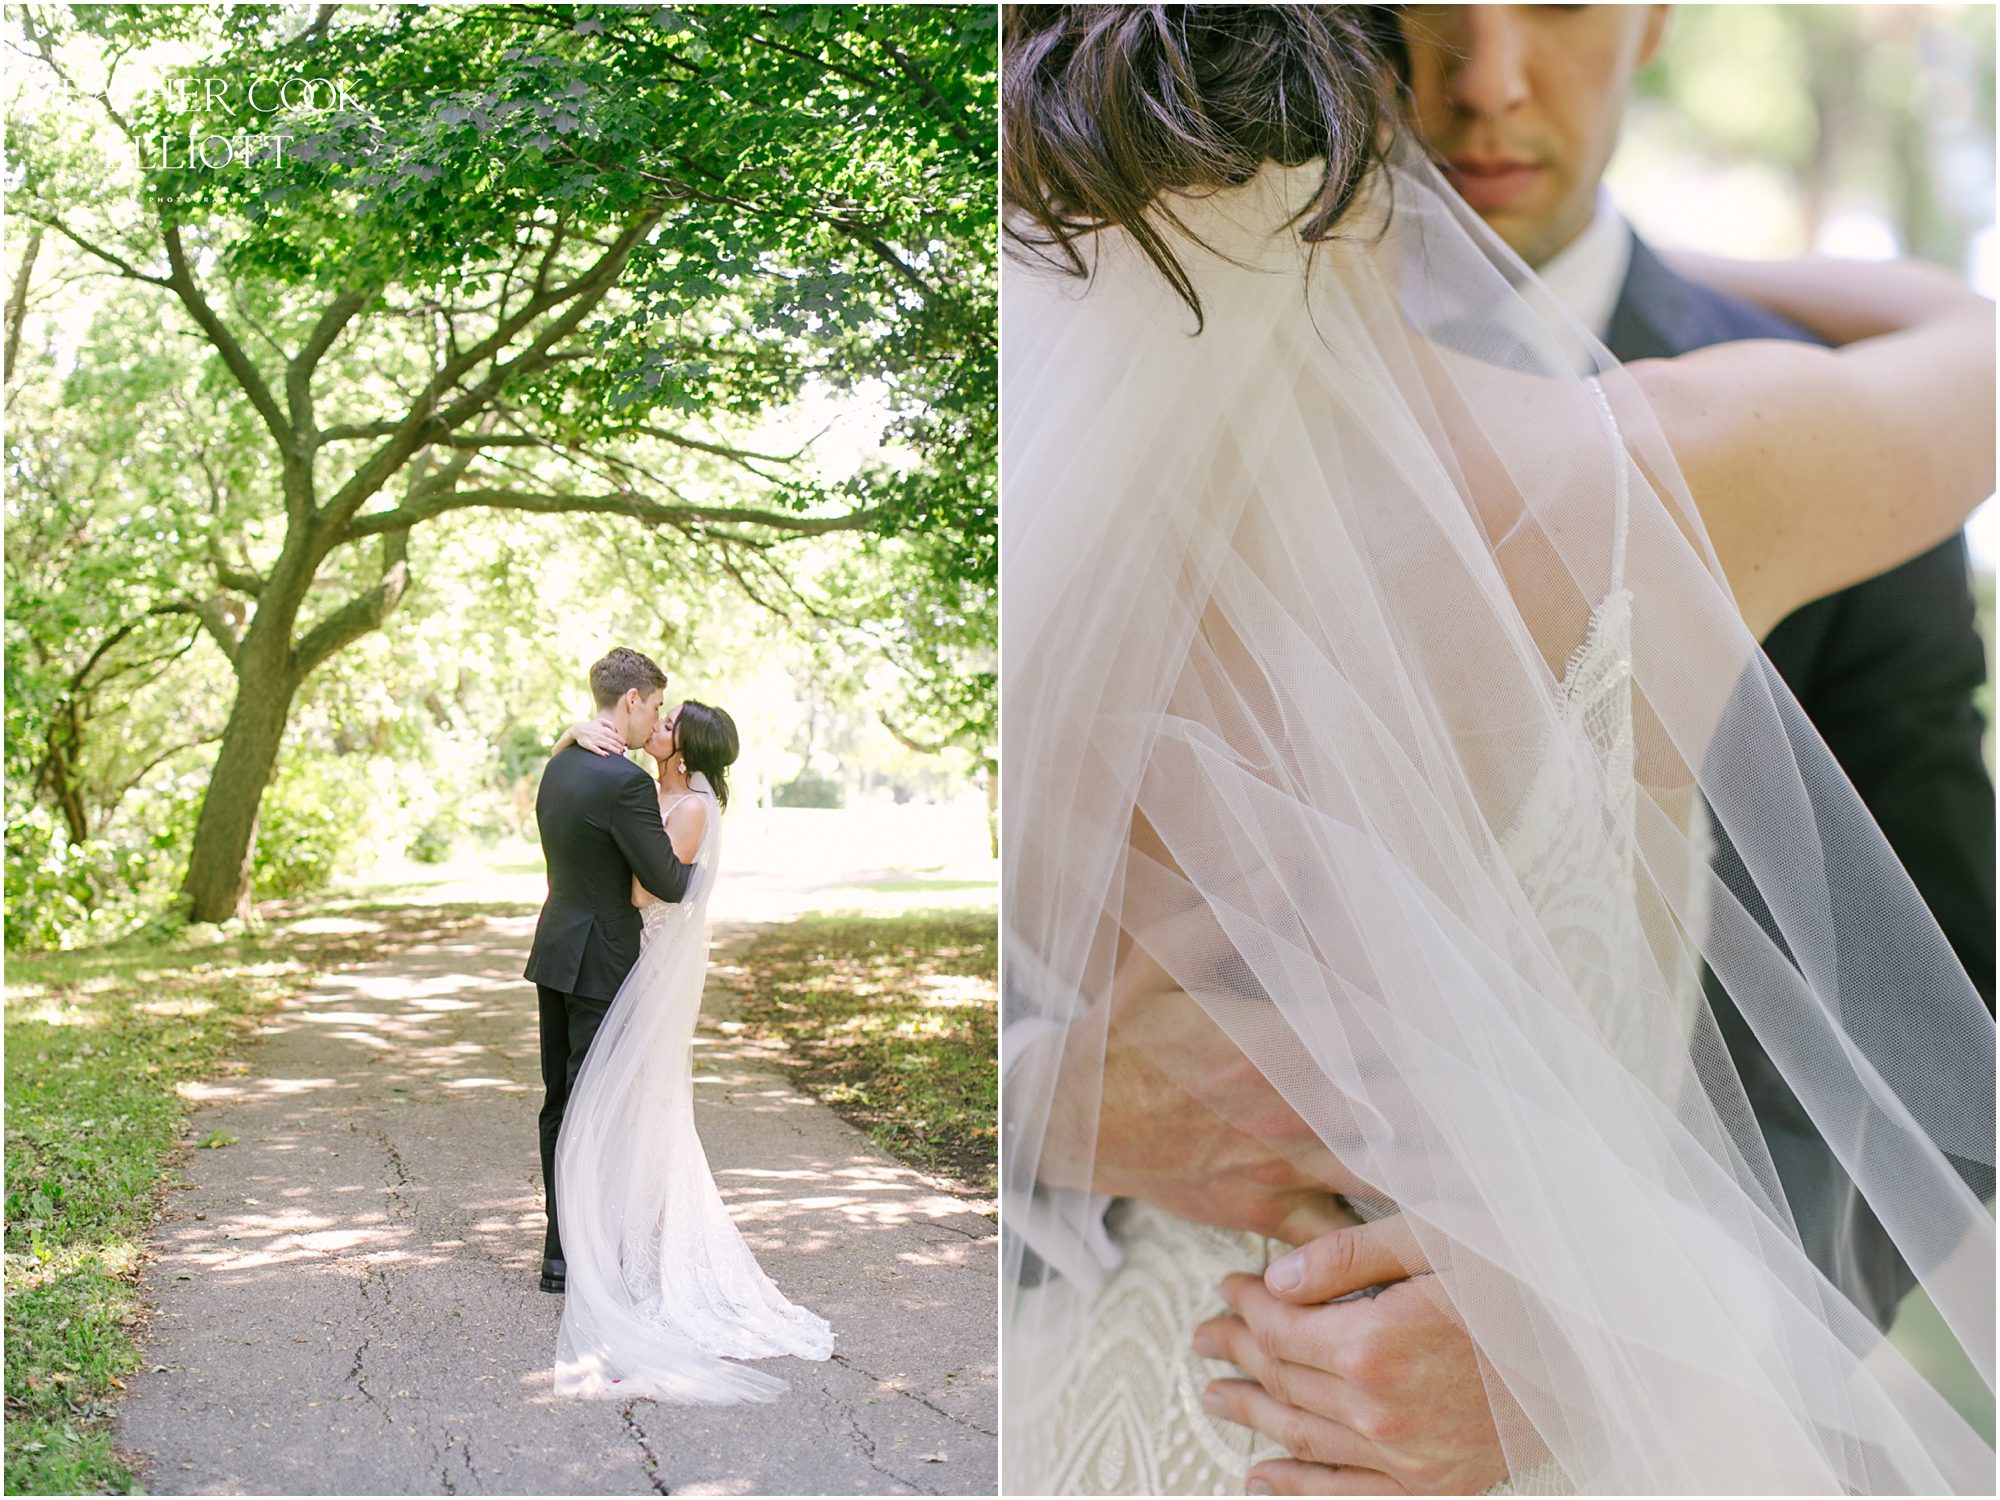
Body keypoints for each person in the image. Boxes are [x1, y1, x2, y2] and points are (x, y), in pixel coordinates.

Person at [999, 5, 1995, 1494]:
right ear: (1361, 68)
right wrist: (1046, 1107)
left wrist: (1618, 1356)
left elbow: (1932, 1043)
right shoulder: (1690, 465)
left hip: (1128, 1419)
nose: (1490, 80)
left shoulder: (1013, 524)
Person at [546, 697, 833, 1401]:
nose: (657, 727)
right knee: (614, 1101)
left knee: (634, 1103)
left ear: (681, 752)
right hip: (625, 957)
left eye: (668, 724)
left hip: (649, 958)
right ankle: (599, 1240)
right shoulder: (648, 790)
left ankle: (629, 1248)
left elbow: (649, 891)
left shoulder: (692, 808)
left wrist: (621, 846)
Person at [524, 647, 692, 1297]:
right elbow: (666, 879)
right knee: (599, 1108)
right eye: (651, 706)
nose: (653, 720)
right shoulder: (625, 784)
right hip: (602, 963)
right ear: (630, 700)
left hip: (556, 951)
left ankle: (559, 1249)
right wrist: (709, 867)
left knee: (560, 1106)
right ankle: (586, 1253)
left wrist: (566, 731)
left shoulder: (558, 765)